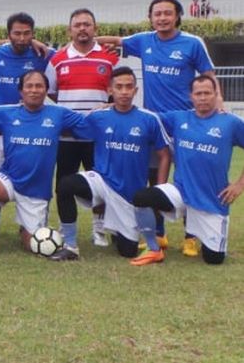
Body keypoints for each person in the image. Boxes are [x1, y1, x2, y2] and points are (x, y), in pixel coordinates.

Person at [97, 0, 222, 256]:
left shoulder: (192, 43)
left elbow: (209, 76)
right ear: (151, 17)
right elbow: (117, 42)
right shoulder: (144, 40)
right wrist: (83, 42)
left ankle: (191, 236)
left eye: (168, 13)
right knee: (155, 177)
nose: (162, 18)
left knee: (190, 180)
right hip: (154, 122)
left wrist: (218, 103)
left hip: (186, 122)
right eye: (157, 14)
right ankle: (159, 232)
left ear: (177, 16)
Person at [50, 67, 170, 261]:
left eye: (129, 87)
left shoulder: (149, 119)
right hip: (102, 181)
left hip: (128, 195)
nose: (124, 91)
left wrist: (160, 188)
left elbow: (164, 154)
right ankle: (70, 245)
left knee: (127, 251)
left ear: (135, 91)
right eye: (119, 87)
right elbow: (69, 128)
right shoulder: (98, 117)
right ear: (109, 90)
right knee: (65, 185)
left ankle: (120, 231)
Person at [0, 71, 86, 259]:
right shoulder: (6, 113)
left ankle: (26, 228)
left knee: (33, 246)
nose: (34, 90)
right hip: (10, 179)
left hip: (36, 190)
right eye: (29, 86)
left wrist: (109, 109)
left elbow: (90, 124)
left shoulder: (59, 114)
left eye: (39, 86)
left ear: (47, 90)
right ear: (21, 91)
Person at [131, 75, 244, 266]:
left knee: (214, 259)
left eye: (207, 93)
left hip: (212, 200)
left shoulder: (231, 122)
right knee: (142, 197)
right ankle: (153, 248)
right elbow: (145, 117)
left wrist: (239, 184)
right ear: (191, 96)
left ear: (216, 94)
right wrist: (110, 107)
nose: (203, 98)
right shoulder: (178, 118)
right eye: (198, 93)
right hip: (181, 193)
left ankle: (202, 236)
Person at [45, 8, 119, 247]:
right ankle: (67, 231)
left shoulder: (110, 58)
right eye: (77, 25)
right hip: (67, 136)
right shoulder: (57, 59)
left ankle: (99, 229)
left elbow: (117, 91)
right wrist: (72, 114)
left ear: (95, 28)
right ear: (70, 30)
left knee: (101, 184)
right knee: (63, 184)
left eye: (87, 24)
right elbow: (54, 93)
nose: (82, 29)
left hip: (98, 137)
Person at [0, 12, 54, 235]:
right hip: (0, 129)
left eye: (27, 34)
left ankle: (32, 219)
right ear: (8, 34)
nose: (22, 38)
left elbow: (67, 57)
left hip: (32, 130)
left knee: (32, 174)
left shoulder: (42, 55)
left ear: (33, 34)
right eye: (17, 33)